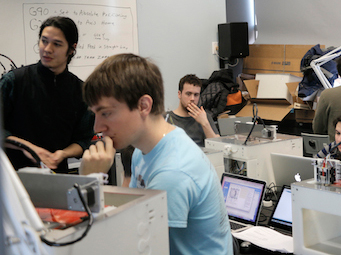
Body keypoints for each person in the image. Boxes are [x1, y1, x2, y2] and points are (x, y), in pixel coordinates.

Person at [79, 54, 233, 255]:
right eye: (95, 114)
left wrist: (90, 182)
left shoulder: (173, 172)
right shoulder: (144, 150)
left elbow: (127, 247)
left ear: (143, 106)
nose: (97, 127)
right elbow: (132, 216)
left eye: (106, 113)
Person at [0, 16, 94, 173]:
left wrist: (63, 153)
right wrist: (28, 148)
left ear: (71, 49)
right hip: (12, 177)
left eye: (57, 44)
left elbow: (84, 138)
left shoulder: (80, 90)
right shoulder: (14, 80)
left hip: (57, 175)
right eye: (44, 41)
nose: (47, 49)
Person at [165, 74, 219, 147]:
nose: (192, 98)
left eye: (196, 95)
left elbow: (218, 147)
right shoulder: (166, 118)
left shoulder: (205, 117)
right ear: (179, 94)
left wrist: (205, 124)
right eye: (188, 94)